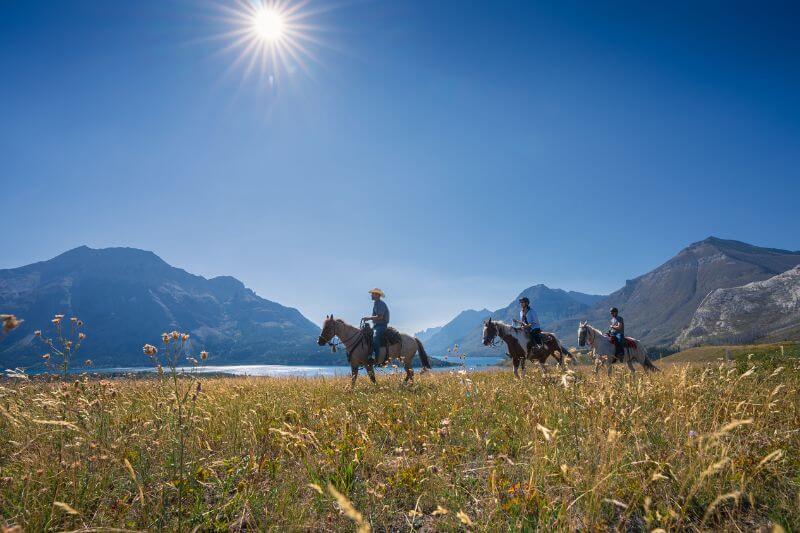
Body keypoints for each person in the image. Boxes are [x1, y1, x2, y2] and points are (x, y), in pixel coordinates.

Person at [363, 288, 390, 364]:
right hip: (376, 325)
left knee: (375, 337)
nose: (371, 295)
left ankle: (376, 358)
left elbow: (380, 317)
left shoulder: (381, 304)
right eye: (372, 293)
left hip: (381, 326)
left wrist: (368, 318)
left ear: (377, 295)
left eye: (373, 293)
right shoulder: (376, 304)